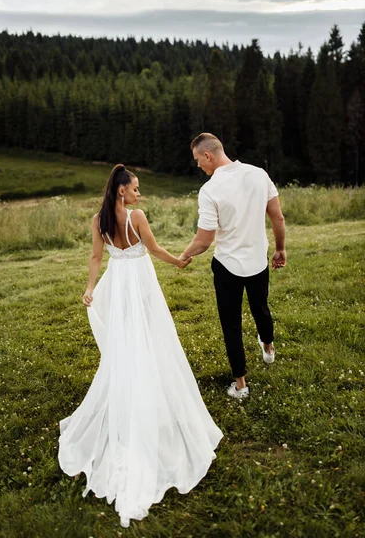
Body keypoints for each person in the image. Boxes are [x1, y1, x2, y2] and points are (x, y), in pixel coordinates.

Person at [58, 164, 223, 528]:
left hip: (117, 284)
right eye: (134, 188)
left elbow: (96, 258)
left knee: (126, 342)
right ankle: (149, 396)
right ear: (121, 191)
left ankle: (132, 388)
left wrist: (89, 289)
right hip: (139, 284)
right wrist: (178, 261)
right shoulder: (136, 217)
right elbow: (154, 249)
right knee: (151, 338)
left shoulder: (99, 219)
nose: (138, 193)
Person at [180, 133, 286, 400]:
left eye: (197, 160)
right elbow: (277, 217)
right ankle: (269, 349)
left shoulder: (210, 190)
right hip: (258, 262)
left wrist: (185, 255)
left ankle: (241, 385)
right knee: (260, 306)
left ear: (208, 155)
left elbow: (204, 240)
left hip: (228, 266)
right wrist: (280, 249)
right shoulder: (258, 174)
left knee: (231, 324)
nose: (198, 166)